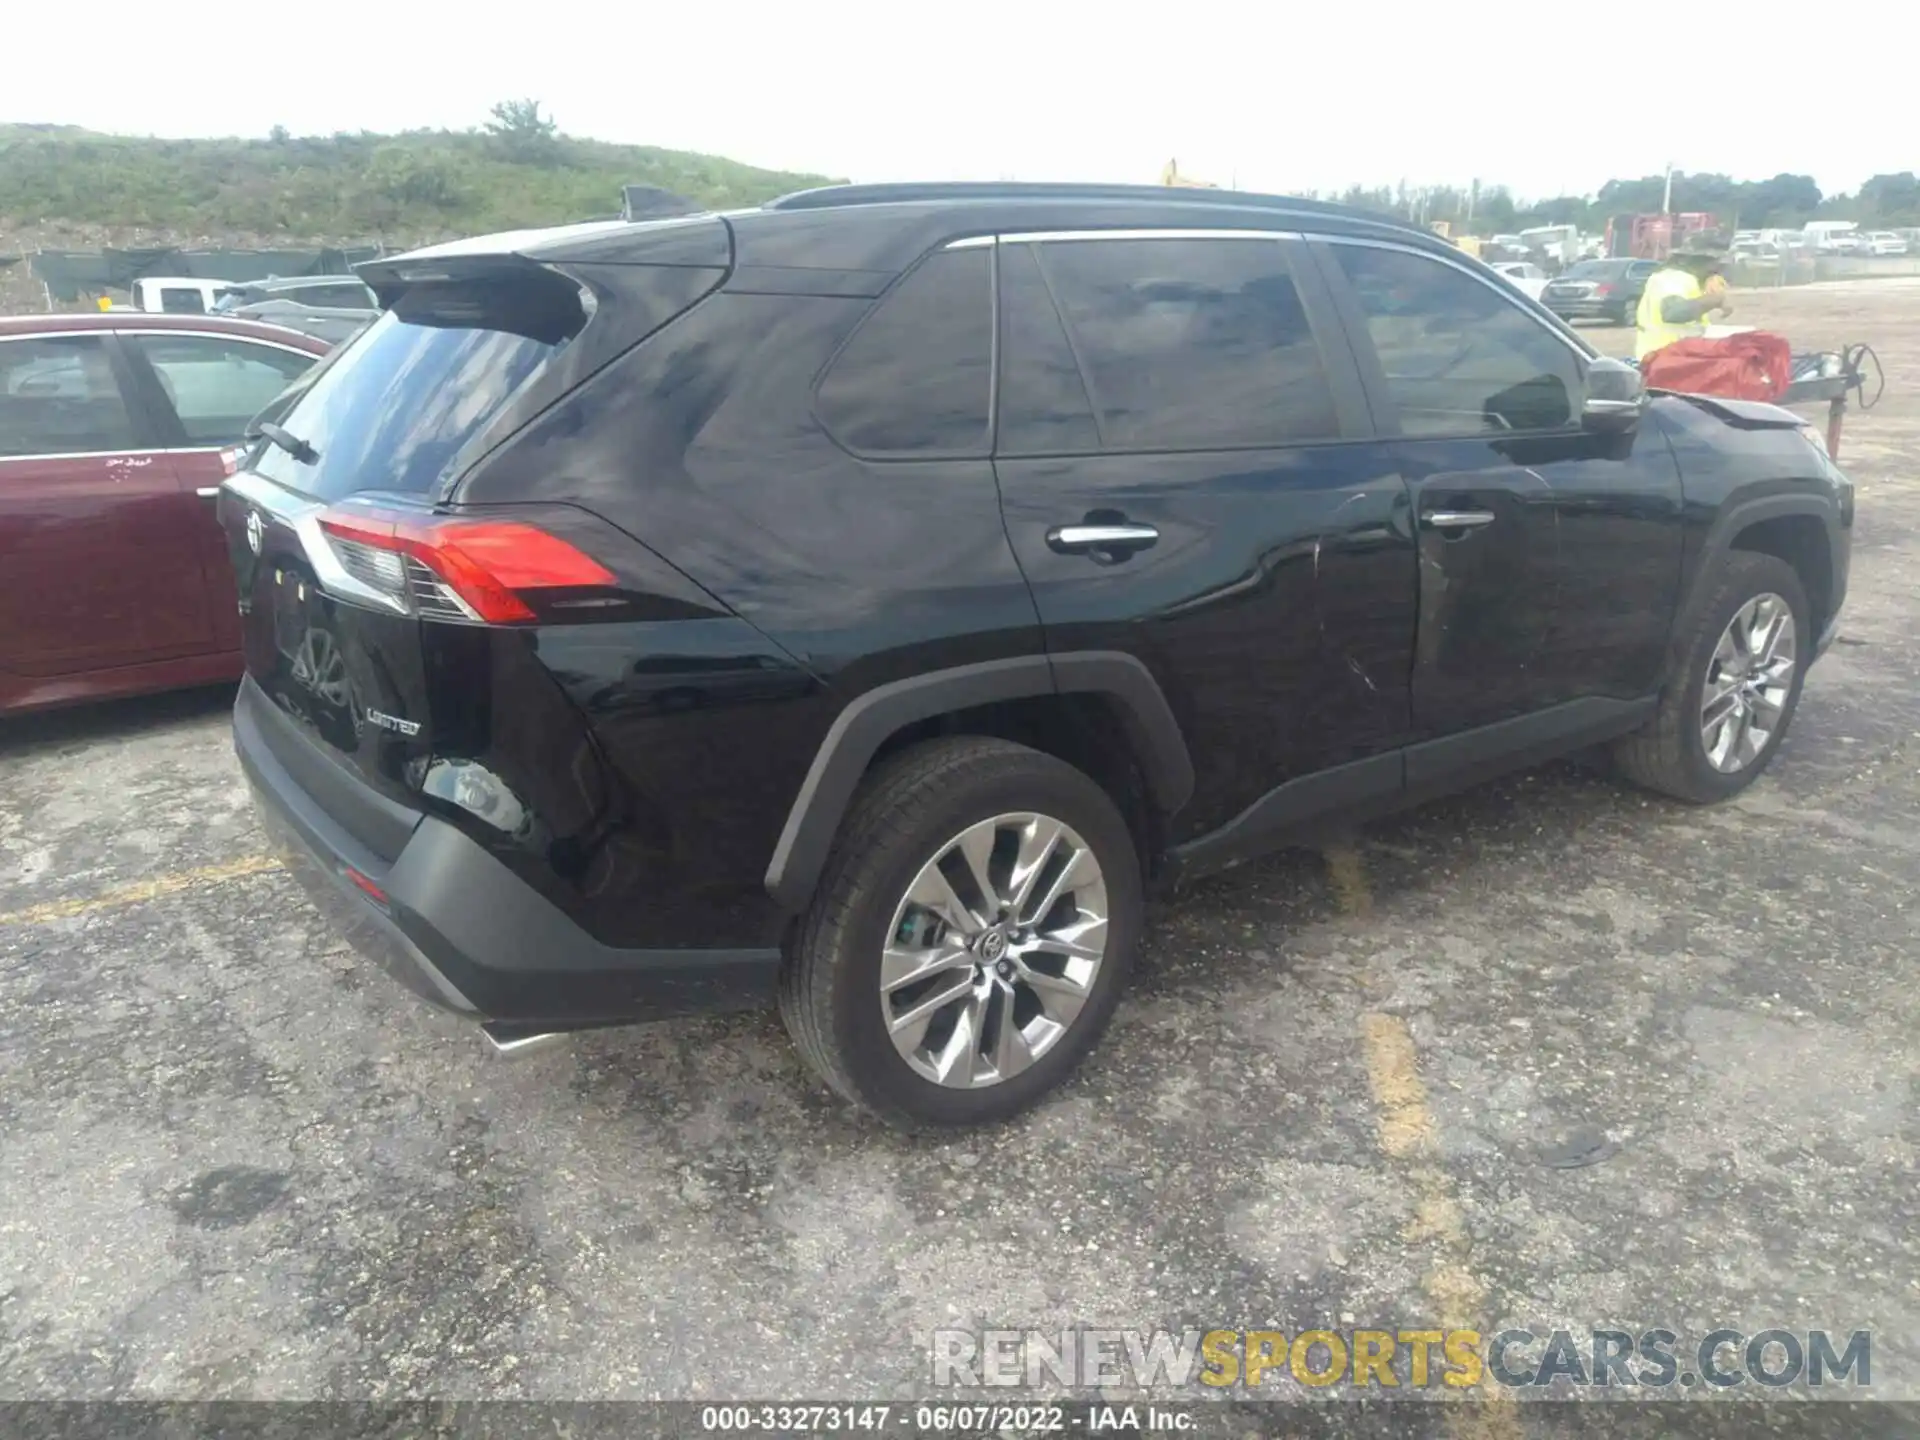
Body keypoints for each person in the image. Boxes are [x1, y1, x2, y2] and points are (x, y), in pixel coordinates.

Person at [1635, 245, 1734, 360]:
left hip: (1672, 358)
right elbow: (1674, 312)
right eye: (1712, 265)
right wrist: (1715, 299)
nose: (1715, 271)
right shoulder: (1674, 278)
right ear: (1695, 262)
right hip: (1664, 360)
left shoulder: (1681, 279)